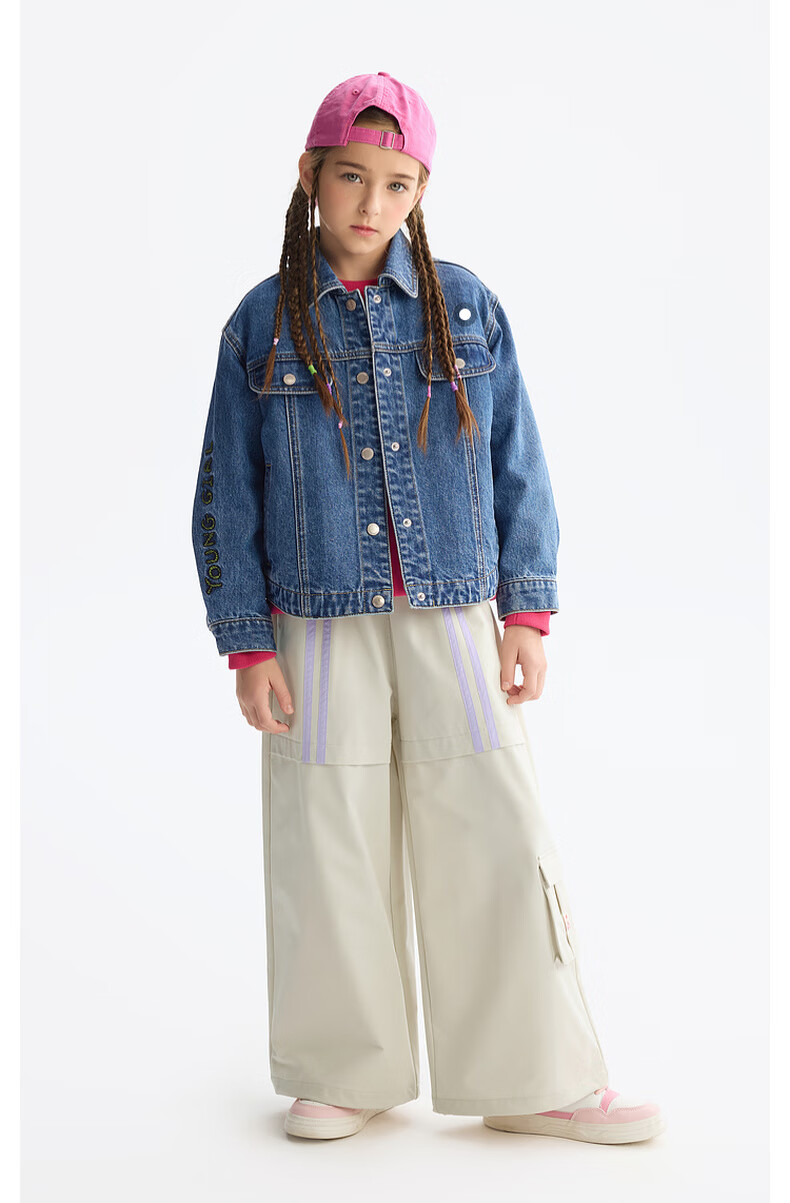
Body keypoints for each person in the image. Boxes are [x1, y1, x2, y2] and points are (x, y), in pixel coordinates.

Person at [191, 71, 665, 1145]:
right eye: (350, 176)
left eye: (396, 183)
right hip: (314, 622)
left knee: (496, 830)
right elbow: (225, 493)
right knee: (327, 840)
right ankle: (345, 1068)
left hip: (454, 614)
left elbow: (517, 460)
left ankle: (533, 1075)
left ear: (421, 191)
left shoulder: (466, 305)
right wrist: (247, 643)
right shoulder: (261, 322)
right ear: (310, 175)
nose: (372, 203)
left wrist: (528, 612)